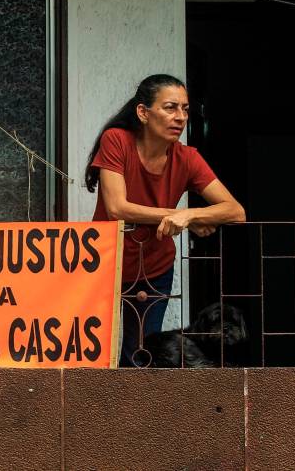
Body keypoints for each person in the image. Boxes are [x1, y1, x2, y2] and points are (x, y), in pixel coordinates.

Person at [85, 74, 245, 367]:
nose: (180, 117)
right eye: (170, 108)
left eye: (185, 109)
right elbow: (117, 208)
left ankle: (130, 414)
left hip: (154, 267)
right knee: (95, 356)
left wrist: (191, 215)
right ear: (143, 113)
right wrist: (178, 216)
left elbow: (235, 211)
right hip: (105, 261)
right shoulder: (117, 140)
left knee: (140, 355)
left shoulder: (187, 157)